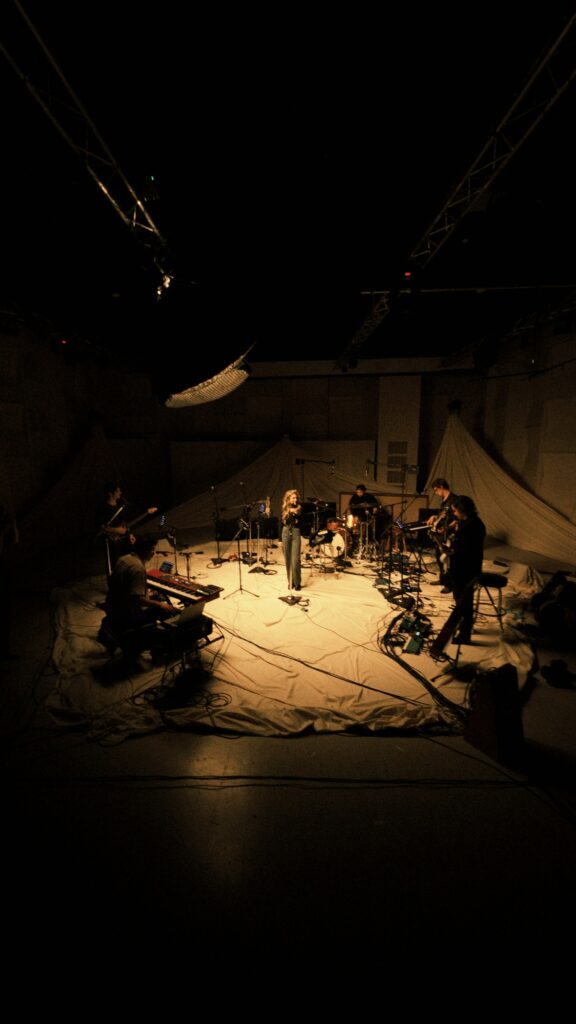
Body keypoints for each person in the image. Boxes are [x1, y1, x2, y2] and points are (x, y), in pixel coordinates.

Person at [101, 534, 174, 655]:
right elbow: (137, 600)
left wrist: (146, 593)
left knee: (155, 599)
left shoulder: (124, 559)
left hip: (112, 607)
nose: (153, 553)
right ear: (145, 550)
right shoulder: (138, 568)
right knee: (164, 610)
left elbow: (124, 587)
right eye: (152, 550)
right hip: (125, 615)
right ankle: (161, 645)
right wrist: (160, 604)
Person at [447, 495, 486, 644]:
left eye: (455, 511)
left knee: (465, 602)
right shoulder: (467, 522)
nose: (454, 514)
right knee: (461, 600)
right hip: (461, 567)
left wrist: (451, 551)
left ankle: (465, 635)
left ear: (462, 510)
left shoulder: (474, 525)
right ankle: (463, 628)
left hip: (467, 569)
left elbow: (468, 550)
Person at [426, 477, 458, 589]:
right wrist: (434, 516)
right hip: (441, 533)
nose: (436, 493)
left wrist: (447, 528)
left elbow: (456, 519)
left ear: (441, 487)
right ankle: (442, 579)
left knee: (447, 560)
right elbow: (443, 515)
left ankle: (449, 584)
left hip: (449, 534)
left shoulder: (454, 500)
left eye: (436, 490)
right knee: (439, 556)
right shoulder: (444, 500)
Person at [281, 488, 302, 590]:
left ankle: (297, 582)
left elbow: (298, 519)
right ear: (288, 499)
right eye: (293, 498)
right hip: (285, 532)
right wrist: (279, 539)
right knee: (287, 559)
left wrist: (293, 512)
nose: (295, 500)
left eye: (296, 498)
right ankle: (291, 581)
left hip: (295, 532)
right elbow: (282, 522)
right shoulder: (284, 508)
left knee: (295, 560)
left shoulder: (299, 508)